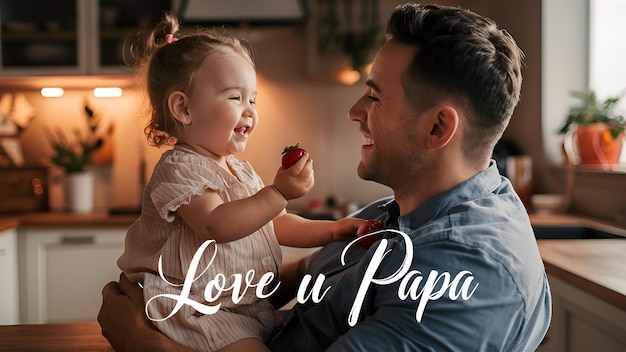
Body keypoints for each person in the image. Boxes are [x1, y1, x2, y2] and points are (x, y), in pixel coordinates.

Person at [99, 3, 552, 351]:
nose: (354, 111)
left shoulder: (465, 275)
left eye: (374, 97)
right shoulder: (405, 211)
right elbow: (298, 268)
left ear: (437, 128)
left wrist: (147, 344)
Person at [116, 13, 366, 352]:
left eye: (253, 99)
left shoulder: (240, 170)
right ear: (183, 108)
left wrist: (332, 230)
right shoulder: (180, 169)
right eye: (235, 97)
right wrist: (277, 193)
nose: (249, 110)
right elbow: (216, 224)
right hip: (194, 309)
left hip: (238, 307)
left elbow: (274, 223)